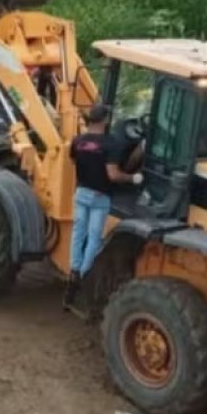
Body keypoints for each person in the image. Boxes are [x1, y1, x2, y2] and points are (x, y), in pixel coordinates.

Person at [66, 105, 144, 304]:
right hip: (99, 197)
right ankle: (84, 274)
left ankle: (73, 269)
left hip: (81, 193)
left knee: (78, 232)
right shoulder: (111, 143)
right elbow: (113, 175)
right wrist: (133, 178)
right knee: (94, 237)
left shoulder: (78, 141)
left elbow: (73, 161)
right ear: (106, 120)